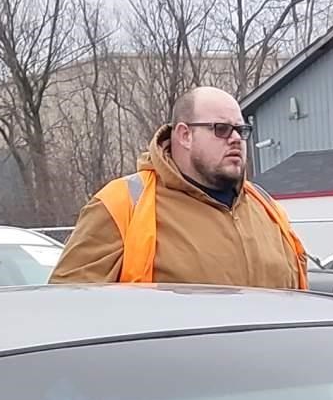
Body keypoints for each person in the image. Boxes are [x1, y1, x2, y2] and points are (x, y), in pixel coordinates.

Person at [51, 88, 307, 289]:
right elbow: (72, 313)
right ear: (184, 135)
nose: (236, 139)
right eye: (221, 129)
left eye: (241, 130)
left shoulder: (265, 207)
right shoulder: (123, 205)